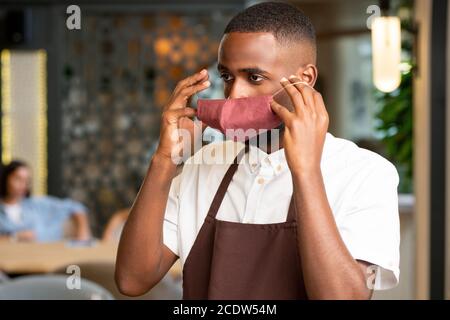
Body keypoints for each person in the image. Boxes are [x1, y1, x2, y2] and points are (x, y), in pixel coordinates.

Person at [116, 2, 400, 299]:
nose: (234, 94)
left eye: (254, 77)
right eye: (227, 77)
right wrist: (164, 161)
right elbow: (132, 280)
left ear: (305, 79)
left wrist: (306, 170)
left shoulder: (366, 174)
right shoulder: (204, 164)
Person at [0, 160, 91, 242]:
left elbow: (76, 207)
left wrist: (83, 233)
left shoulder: (37, 204)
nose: (23, 185)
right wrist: (15, 237)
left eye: (26, 181)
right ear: (5, 179)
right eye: (18, 179)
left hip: (42, 255)